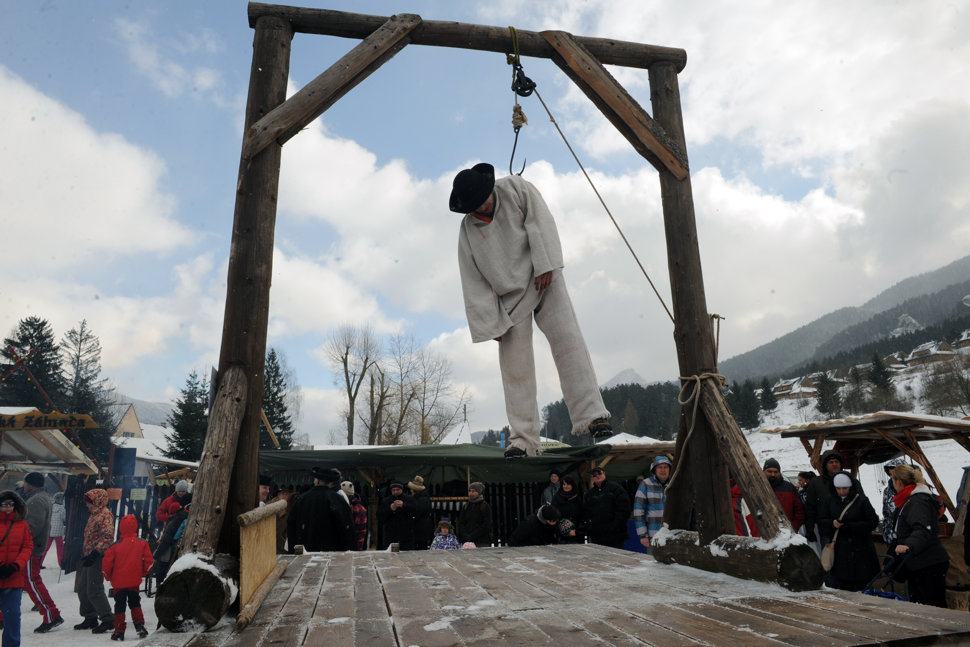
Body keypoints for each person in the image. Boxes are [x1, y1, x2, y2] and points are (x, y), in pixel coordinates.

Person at [451, 163, 612, 459]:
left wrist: (545, 263)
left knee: (569, 343)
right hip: (508, 299)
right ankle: (524, 440)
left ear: (489, 189)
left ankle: (593, 417)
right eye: (474, 208)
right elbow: (473, 279)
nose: (481, 209)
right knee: (516, 370)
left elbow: (541, 222)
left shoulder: (515, 189)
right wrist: (491, 324)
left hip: (544, 277)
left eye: (483, 201)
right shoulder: (467, 231)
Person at [890, 464, 950, 607]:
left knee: (931, 605)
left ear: (898, 481)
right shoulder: (910, 499)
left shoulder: (918, 501)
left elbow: (923, 529)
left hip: (928, 562)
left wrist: (908, 545)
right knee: (921, 604)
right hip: (918, 562)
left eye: (893, 480)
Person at [819, 473, 879, 592]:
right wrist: (832, 523)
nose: (842, 491)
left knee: (863, 585)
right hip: (840, 550)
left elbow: (873, 522)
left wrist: (849, 526)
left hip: (860, 548)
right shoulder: (829, 500)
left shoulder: (861, 500)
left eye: (845, 488)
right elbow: (821, 520)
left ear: (850, 487)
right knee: (843, 585)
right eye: (838, 488)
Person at [21, 472, 63, 633]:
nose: (23, 485)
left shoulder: (36, 500)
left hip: (30, 548)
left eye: (25, 483)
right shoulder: (41, 497)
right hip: (33, 547)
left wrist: (20, 540)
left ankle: (51, 614)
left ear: (30, 484)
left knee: (31, 581)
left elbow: (32, 526)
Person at [102, 514, 153, 640]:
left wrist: (108, 576)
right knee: (135, 603)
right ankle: (139, 626)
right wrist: (143, 572)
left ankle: (119, 630)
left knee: (119, 605)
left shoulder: (115, 545)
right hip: (134, 581)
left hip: (119, 582)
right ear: (135, 527)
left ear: (121, 528)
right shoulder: (142, 543)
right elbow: (149, 561)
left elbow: (107, 563)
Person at [75, 488, 115, 633]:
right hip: (88, 555)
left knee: (94, 588)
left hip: (97, 556)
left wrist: (95, 553)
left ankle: (108, 618)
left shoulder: (105, 514)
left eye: (89, 501)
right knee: (82, 588)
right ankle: (90, 616)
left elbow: (108, 536)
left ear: (98, 501)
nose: (87, 504)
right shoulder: (94, 514)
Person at [287, 467, 354, 552]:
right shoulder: (338, 500)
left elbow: (291, 525)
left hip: (306, 553)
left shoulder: (302, 499)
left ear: (317, 481)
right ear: (329, 482)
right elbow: (347, 528)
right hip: (333, 554)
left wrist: (293, 551)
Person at [0, 490, 33, 647]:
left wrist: (16, 565)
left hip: (14, 578)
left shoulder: (23, 525)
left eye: (10, 504)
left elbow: (27, 547)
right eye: (4, 504)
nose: (7, 507)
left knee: (12, 616)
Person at [748, 459, 805, 537]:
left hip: (786, 534)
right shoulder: (755, 487)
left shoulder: (789, 488)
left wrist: (793, 528)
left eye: (776, 472)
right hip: (762, 535)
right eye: (769, 471)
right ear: (763, 471)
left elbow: (799, 511)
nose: (773, 474)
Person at [583, 467, 631, 549]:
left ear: (604, 474)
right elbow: (586, 513)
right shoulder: (589, 494)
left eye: (599, 473)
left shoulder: (616, 488)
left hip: (615, 535)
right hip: (597, 535)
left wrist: (615, 525)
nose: (597, 476)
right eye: (594, 475)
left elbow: (624, 509)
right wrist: (589, 526)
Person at [804, 450, 845, 543]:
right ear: (825, 465)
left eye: (837, 462)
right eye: (831, 462)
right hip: (827, 531)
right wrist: (809, 529)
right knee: (829, 557)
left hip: (849, 530)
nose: (834, 464)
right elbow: (810, 508)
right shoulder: (816, 483)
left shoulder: (849, 480)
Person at [632, 456, 671, 550]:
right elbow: (638, 511)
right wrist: (642, 535)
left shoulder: (674, 483)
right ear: (654, 469)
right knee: (653, 563)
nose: (663, 470)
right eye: (660, 467)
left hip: (673, 534)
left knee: (675, 564)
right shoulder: (646, 484)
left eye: (666, 467)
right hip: (653, 535)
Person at [379, 483, 415, 550]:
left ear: (401, 489)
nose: (395, 492)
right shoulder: (386, 500)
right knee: (392, 555)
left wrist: (403, 505)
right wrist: (390, 509)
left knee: (407, 555)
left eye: (397, 490)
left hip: (406, 533)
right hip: (391, 534)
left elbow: (414, 510)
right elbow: (380, 515)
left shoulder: (409, 498)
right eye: (393, 490)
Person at [458, 482, 492, 547]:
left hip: (481, 541)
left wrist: (473, 535)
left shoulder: (484, 506)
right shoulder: (466, 506)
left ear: (479, 493)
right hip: (467, 542)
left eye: (473, 491)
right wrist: (465, 535)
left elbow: (486, 524)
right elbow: (461, 523)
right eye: (469, 491)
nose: (471, 493)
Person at [881, 457, 906, 544]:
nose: (892, 476)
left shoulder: (913, 490)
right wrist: (887, 533)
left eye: (895, 474)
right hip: (891, 538)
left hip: (909, 540)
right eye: (890, 474)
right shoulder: (887, 491)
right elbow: (886, 514)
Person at [552, 475, 583, 543]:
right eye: (564, 484)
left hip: (576, 532)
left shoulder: (577, 497)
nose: (566, 486)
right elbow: (553, 514)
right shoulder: (556, 498)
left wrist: (577, 530)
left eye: (568, 484)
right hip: (561, 532)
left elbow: (582, 514)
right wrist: (563, 527)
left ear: (572, 485)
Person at [408, 476, 434, 550]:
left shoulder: (421, 499)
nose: (410, 491)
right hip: (422, 529)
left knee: (420, 548)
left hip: (420, 529)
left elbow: (417, 513)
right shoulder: (423, 497)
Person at [43, 491, 66, 570]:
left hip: (49, 530)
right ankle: (61, 563)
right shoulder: (62, 508)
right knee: (60, 549)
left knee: (45, 548)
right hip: (58, 532)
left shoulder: (50, 507)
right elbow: (64, 518)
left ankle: (39, 562)